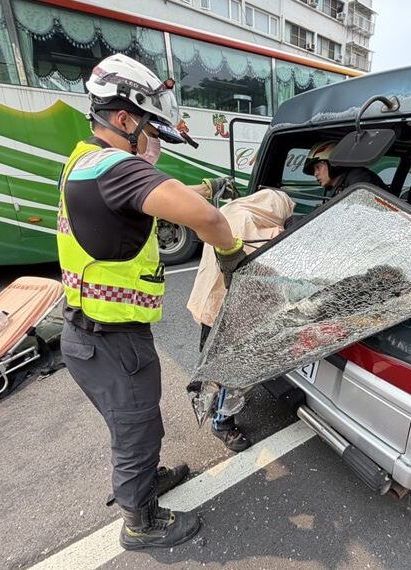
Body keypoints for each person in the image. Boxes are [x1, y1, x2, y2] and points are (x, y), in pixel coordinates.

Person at [57, 54, 245, 551]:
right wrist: (233, 258)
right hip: (110, 340)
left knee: (133, 423)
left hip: (88, 335)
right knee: (136, 428)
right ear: (124, 119)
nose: (154, 140)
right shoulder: (119, 168)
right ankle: (140, 522)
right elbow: (207, 218)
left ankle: (144, 481)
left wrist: (205, 186)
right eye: (150, 127)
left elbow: (150, 200)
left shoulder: (84, 162)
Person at [186, 189, 295, 452]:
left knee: (214, 360)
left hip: (214, 305)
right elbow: (258, 260)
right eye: (284, 214)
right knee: (231, 367)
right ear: (275, 207)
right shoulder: (245, 222)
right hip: (228, 310)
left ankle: (207, 398)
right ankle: (222, 423)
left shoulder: (233, 209)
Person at [302, 140, 389, 197]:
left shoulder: (359, 180)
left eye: (318, 167)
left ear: (333, 164)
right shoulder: (336, 187)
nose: (315, 173)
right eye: (314, 170)